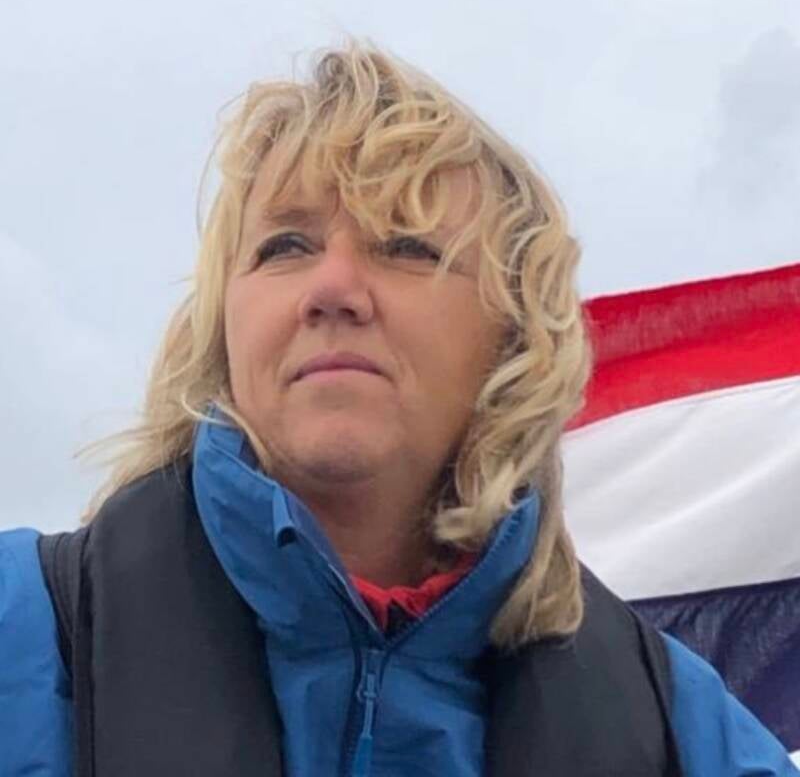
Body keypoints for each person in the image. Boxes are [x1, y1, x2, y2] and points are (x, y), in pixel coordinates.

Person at [0, 44, 797, 777]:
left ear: (515, 337)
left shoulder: (678, 733)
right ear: (222, 327)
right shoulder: (23, 629)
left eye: (407, 247)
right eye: (285, 247)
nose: (332, 290)